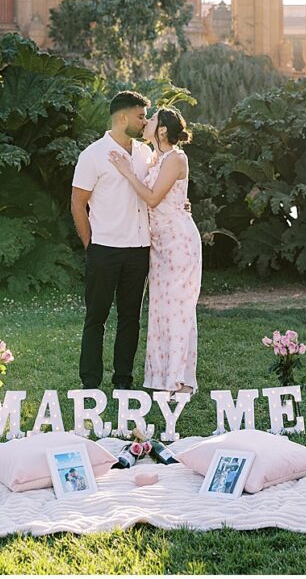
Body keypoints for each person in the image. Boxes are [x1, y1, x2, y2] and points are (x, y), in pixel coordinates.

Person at [109, 106, 202, 397]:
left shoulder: (176, 158)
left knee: (179, 309)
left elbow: (152, 198)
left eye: (151, 119)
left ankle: (182, 380)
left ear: (162, 130)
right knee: (161, 310)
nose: (146, 122)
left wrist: (126, 172)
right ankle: (161, 377)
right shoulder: (155, 158)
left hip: (178, 241)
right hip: (159, 243)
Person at [71, 91, 154, 390]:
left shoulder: (146, 154)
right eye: (140, 116)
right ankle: (90, 382)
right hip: (104, 250)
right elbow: (77, 203)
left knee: (131, 319)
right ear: (122, 117)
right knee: (96, 318)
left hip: (139, 249)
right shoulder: (92, 155)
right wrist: (90, 245)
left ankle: (123, 382)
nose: (145, 122)